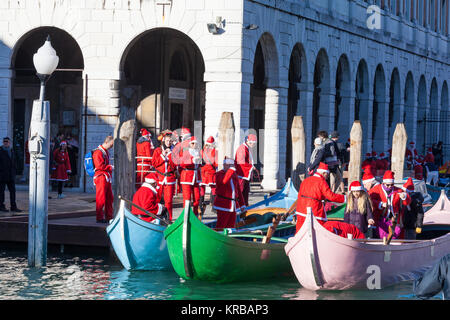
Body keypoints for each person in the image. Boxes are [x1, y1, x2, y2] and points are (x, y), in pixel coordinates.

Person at [294, 162, 346, 233]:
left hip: (301, 210)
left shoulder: (306, 180)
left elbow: (299, 195)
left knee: (299, 232)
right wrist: (344, 198)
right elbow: (330, 196)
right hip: (315, 211)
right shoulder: (321, 182)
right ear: (324, 173)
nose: (327, 177)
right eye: (327, 175)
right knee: (320, 230)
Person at [368, 170, 411, 240]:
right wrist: (380, 204)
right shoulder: (376, 189)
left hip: (394, 220)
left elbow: (407, 202)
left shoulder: (398, 190)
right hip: (379, 219)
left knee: (395, 237)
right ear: (383, 183)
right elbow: (369, 200)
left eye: (392, 185)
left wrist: (404, 196)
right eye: (387, 185)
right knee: (380, 238)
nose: (390, 187)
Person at [213, 157, 247, 229]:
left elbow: (238, 192)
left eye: (231, 165)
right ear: (224, 165)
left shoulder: (234, 175)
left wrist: (242, 205)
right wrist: (231, 171)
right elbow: (223, 182)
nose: (230, 167)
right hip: (223, 205)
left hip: (233, 205)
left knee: (231, 227)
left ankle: (228, 238)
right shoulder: (219, 174)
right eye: (228, 165)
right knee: (221, 226)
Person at [152, 130, 176, 220]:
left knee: (169, 201)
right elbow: (154, 163)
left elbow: (174, 165)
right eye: (167, 141)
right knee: (156, 199)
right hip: (159, 177)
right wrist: (162, 155)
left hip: (169, 178)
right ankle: (155, 217)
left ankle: (169, 219)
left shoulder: (174, 151)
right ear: (163, 140)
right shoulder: (157, 150)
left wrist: (170, 155)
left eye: (170, 141)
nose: (169, 143)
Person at [93, 136, 114, 223]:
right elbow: (99, 166)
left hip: (105, 176)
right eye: (111, 144)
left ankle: (109, 216)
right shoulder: (98, 152)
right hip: (101, 176)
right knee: (101, 198)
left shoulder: (104, 152)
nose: (111, 146)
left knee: (109, 197)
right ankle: (100, 217)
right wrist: (110, 167)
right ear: (106, 142)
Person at [180, 136, 202, 216]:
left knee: (197, 198)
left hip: (195, 177)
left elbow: (199, 165)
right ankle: (186, 215)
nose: (194, 145)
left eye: (195, 143)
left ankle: (195, 214)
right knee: (187, 198)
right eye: (192, 143)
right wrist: (192, 160)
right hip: (187, 177)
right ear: (190, 144)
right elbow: (182, 164)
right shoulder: (186, 152)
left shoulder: (198, 152)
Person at [235, 134, 257, 207]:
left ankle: (244, 205)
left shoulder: (246, 148)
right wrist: (251, 167)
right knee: (241, 191)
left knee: (245, 191)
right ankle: (239, 206)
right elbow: (241, 162)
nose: (253, 145)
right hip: (241, 174)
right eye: (253, 143)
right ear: (250, 142)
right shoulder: (242, 148)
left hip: (244, 174)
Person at [0, 137, 20, 212]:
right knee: (1, 192)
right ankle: (1, 206)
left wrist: (14, 171)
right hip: (2, 175)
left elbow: (14, 161)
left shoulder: (12, 151)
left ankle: (13, 207)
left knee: (13, 191)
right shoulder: (1, 150)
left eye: (7, 141)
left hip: (11, 175)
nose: (5, 143)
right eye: (4, 141)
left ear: (9, 142)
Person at [200, 136, 217, 212]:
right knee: (213, 188)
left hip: (203, 171)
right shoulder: (214, 151)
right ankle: (213, 206)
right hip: (211, 171)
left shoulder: (202, 151)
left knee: (202, 187)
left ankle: (200, 205)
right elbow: (216, 163)